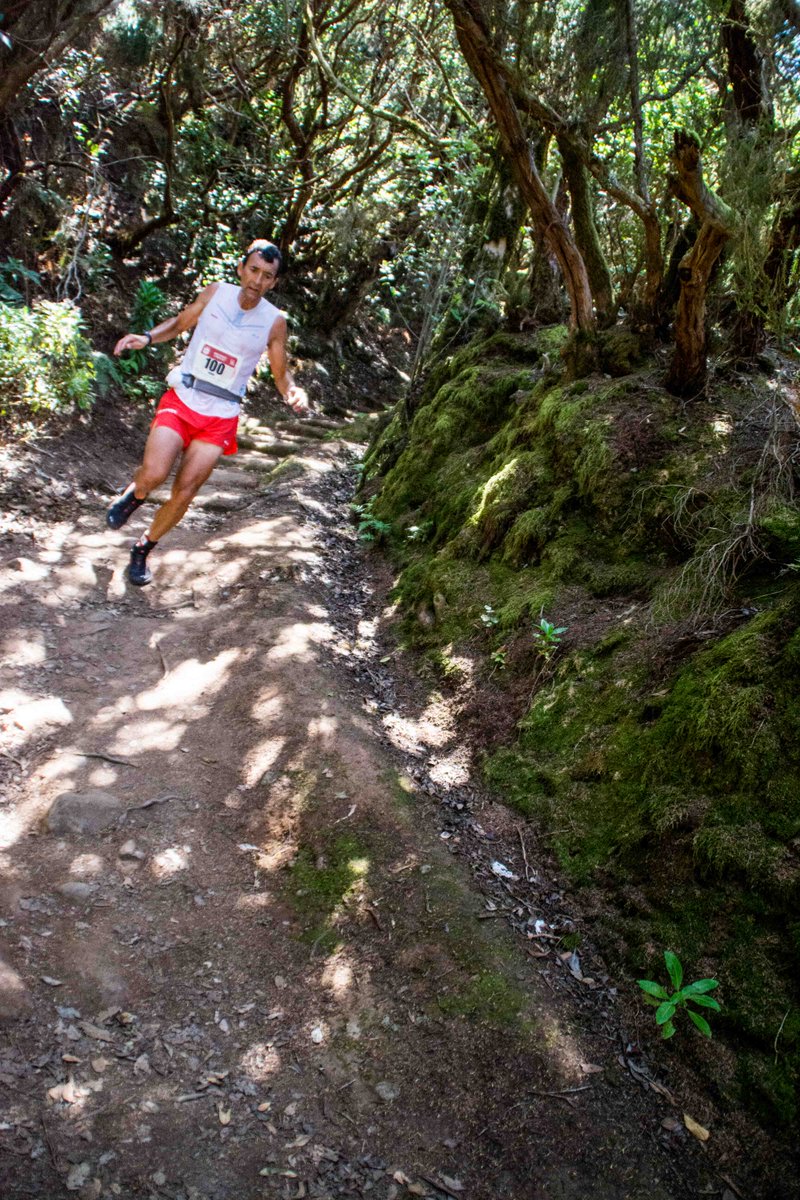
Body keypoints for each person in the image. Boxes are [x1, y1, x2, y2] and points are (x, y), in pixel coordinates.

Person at [106, 238, 310, 586]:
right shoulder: (216, 292)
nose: (257, 281)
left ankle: (143, 548)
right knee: (154, 473)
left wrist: (293, 390)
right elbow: (179, 323)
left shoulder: (274, 321)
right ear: (241, 268)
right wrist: (146, 337)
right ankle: (135, 494)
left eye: (267, 276)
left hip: (221, 412)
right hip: (185, 395)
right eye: (254, 270)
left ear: (274, 282)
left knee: (185, 491)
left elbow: (279, 372)